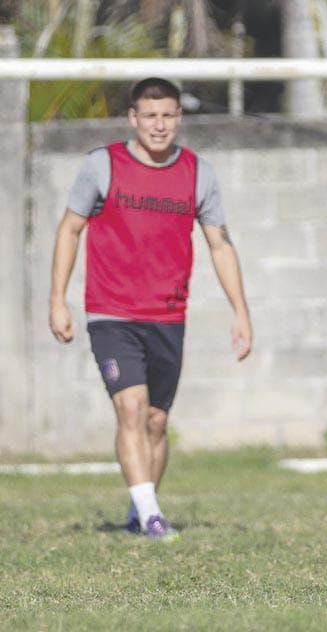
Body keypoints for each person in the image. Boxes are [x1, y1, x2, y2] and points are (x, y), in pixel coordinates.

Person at [49, 77, 253, 541]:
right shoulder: (103, 166)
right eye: (150, 115)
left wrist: (239, 310)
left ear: (179, 117)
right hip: (111, 313)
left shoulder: (199, 173)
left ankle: (138, 508)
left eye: (168, 116)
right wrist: (56, 299)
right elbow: (69, 229)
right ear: (133, 118)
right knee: (133, 411)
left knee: (157, 423)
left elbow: (219, 244)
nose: (159, 125)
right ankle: (153, 516)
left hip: (168, 316)